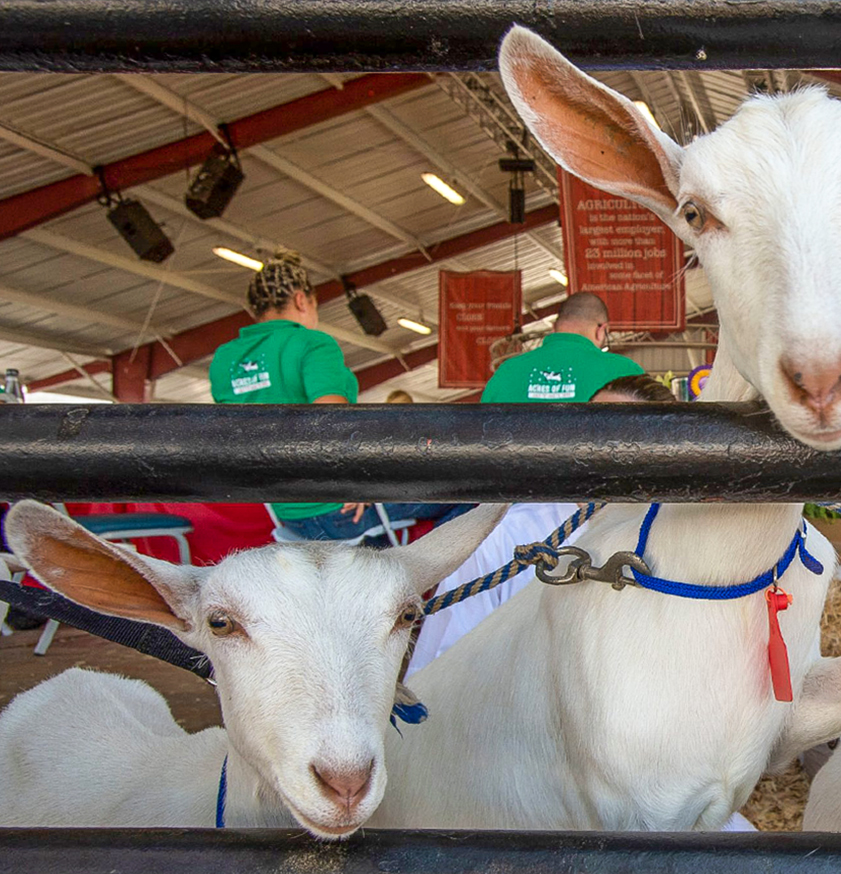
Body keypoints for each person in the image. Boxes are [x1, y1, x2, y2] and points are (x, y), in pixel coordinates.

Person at [406, 372, 673, 677]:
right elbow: (439, 670)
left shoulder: (676, 546)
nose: (599, 448)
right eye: (590, 431)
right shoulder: (506, 536)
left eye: (624, 440)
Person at [210, 250, 470, 542]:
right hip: (339, 511)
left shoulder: (224, 359)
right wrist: (360, 482)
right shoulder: (311, 342)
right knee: (470, 489)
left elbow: (231, 438)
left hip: (284, 515)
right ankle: (445, 579)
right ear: (301, 299)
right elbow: (330, 420)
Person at [481, 292, 644, 404]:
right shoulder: (625, 370)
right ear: (601, 331)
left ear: (553, 328)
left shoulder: (507, 371)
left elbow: (480, 434)